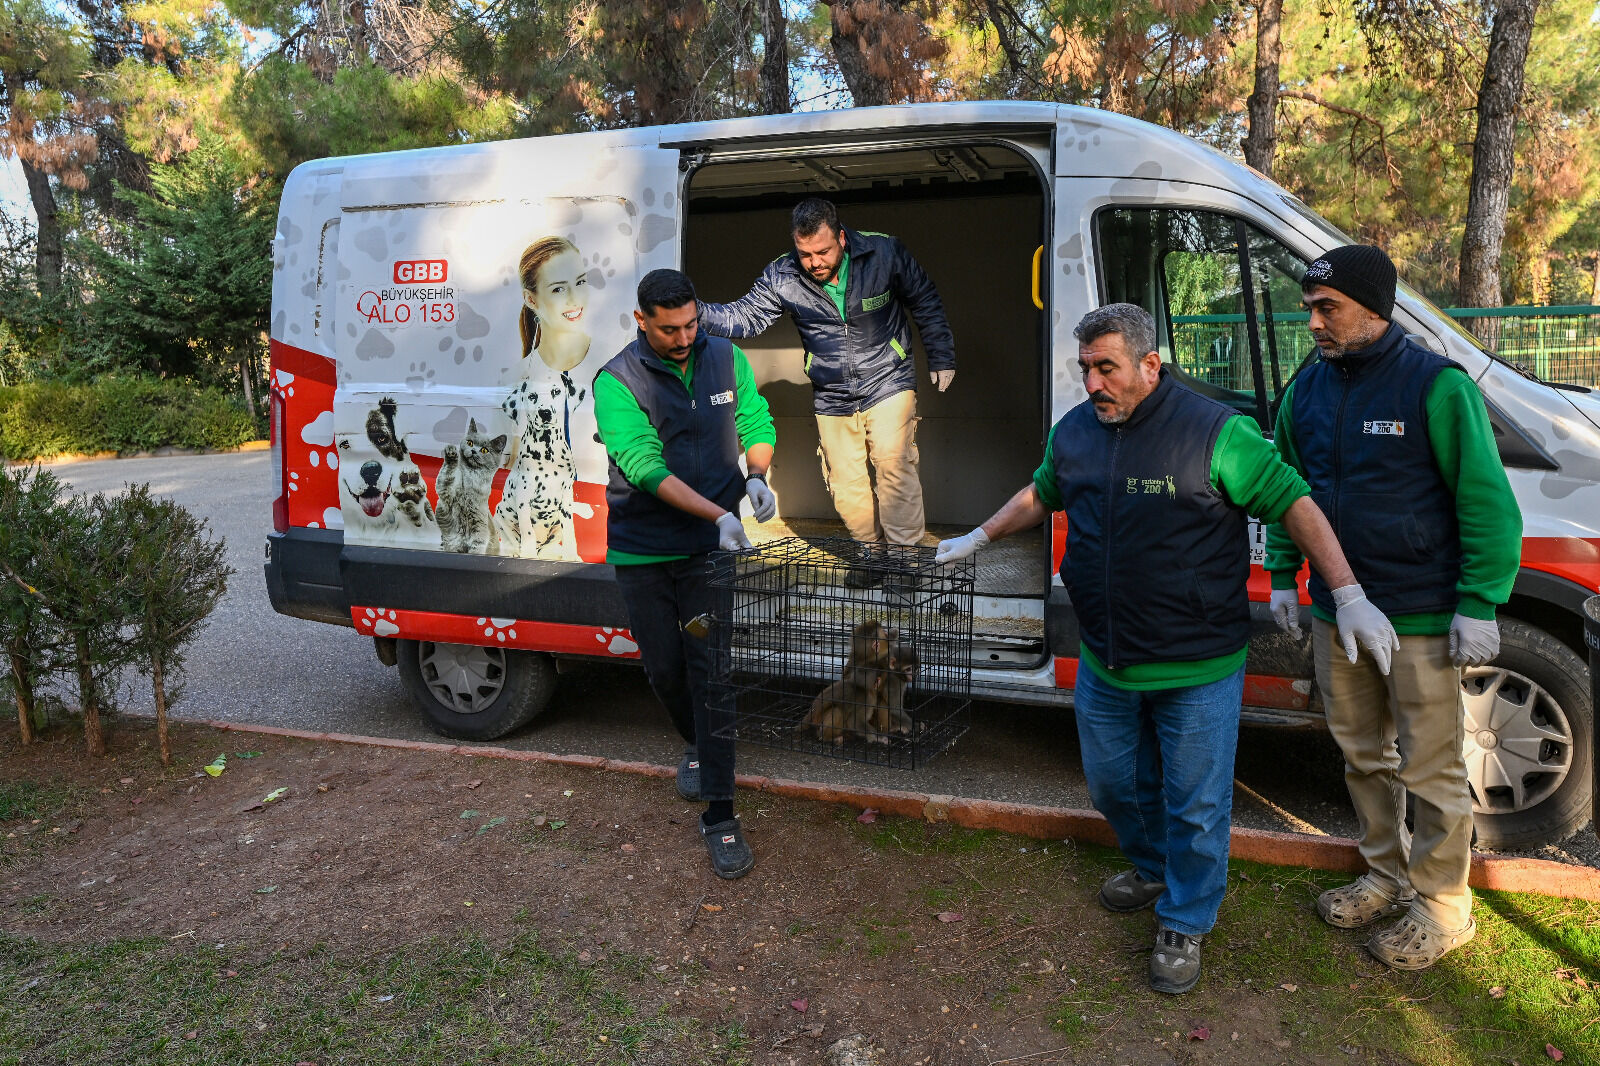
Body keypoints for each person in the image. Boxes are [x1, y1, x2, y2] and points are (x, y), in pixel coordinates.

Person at [935, 303, 1398, 994]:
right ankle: (1154, 866)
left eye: (1107, 368)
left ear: (1151, 365)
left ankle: (1186, 916)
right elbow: (1042, 492)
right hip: (1107, 659)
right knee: (1115, 785)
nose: (1093, 383)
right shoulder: (1078, 432)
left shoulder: (1216, 432)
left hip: (1198, 664)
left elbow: (1295, 503)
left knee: (1197, 801)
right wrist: (981, 536)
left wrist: (1349, 592)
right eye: (1085, 368)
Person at [1264, 245, 1521, 971]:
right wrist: (1286, 573)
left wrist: (1478, 602)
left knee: (1431, 766)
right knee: (1360, 753)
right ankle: (1386, 871)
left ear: (1374, 309)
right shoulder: (1304, 391)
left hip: (1421, 614)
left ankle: (1443, 905)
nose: (1312, 321)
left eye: (1327, 308)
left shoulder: (1436, 388)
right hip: (1335, 613)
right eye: (1309, 307)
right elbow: (1286, 489)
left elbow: (1487, 503)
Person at [594, 268, 778, 878]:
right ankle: (698, 745)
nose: (683, 337)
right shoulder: (617, 380)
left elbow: (755, 420)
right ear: (641, 320)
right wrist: (720, 516)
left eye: (691, 324)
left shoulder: (725, 356)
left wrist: (756, 476)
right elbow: (643, 466)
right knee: (665, 670)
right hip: (645, 549)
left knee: (712, 672)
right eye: (669, 328)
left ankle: (720, 815)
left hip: (709, 553)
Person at [698, 197, 954, 571]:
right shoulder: (782, 275)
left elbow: (925, 299)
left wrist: (942, 355)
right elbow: (745, 317)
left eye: (822, 251)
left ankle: (903, 562)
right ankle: (871, 555)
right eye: (805, 254)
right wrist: (695, 312)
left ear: (842, 237)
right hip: (831, 391)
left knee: (893, 466)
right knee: (845, 483)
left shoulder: (884, 252)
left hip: (889, 377)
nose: (814, 262)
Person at [496, 236, 594, 560]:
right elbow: (509, 461)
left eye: (580, 282)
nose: (575, 298)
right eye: (557, 288)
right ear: (531, 300)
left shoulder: (608, 355)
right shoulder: (516, 378)